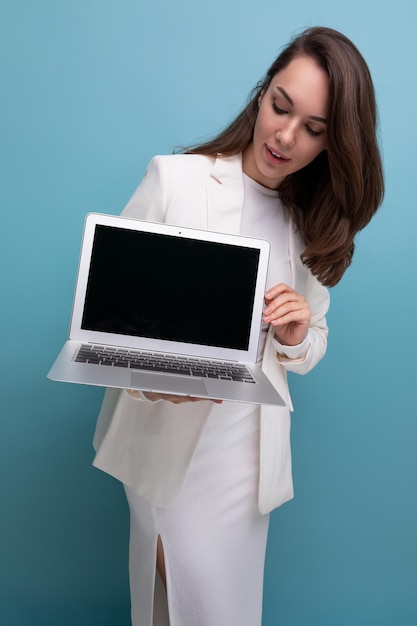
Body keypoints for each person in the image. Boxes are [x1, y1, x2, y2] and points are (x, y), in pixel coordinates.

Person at [92, 26, 384, 626]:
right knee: (170, 605)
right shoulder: (175, 180)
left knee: (225, 613)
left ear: (333, 144)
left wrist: (299, 337)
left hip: (246, 460)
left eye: (314, 129)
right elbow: (106, 324)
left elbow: (315, 339)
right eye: (281, 106)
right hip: (168, 444)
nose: (285, 135)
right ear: (261, 95)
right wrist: (151, 378)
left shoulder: (307, 226)